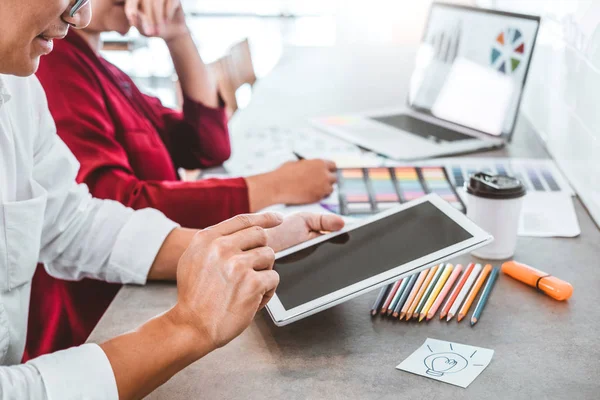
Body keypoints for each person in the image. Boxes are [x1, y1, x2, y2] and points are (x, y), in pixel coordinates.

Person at [0, 0, 345, 397]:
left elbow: (70, 220)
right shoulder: (50, 66)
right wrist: (187, 327)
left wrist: (249, 242)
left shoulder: (20, 79)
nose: (82, 16)